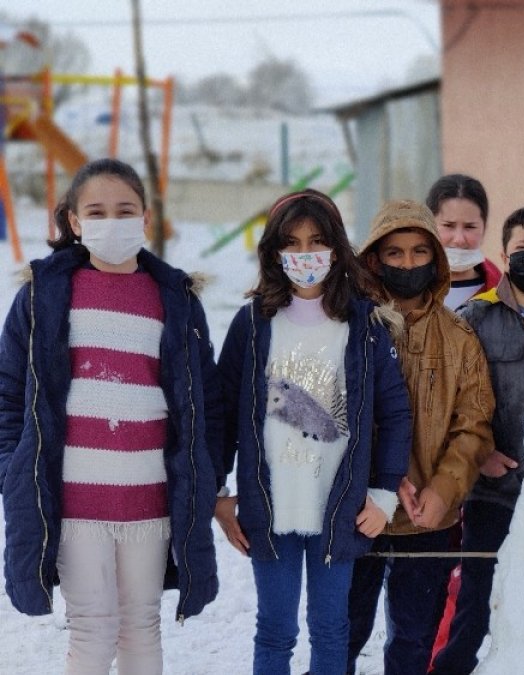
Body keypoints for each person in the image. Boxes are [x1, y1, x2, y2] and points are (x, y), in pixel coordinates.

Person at [0, 158, 222, 673]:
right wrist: (13, 467)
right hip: (76, 501)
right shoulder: (43, 294)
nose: (111, 221)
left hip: (150, 499)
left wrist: (206, 475)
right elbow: (9, 392)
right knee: (92, 629)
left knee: (141, 625)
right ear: (75, 222)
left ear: (145, 217)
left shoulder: (175, 299)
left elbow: (204, 399)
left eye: (125, 210)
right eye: (96, 211)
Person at [214, 189, 412, 675]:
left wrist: (383, 495)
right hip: (270, 508)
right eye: (293, 243)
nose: (306, 255)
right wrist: (219, 492)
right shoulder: (254, 323)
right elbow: (219, 412)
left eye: (318, 241)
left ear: (337, 249)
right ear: (275, 252)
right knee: (275, 630)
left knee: (331, 629)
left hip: (338, 509)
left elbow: (395, 414)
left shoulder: (364, 325)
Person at [346, 200, 495, 675]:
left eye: (418, 252)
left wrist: (444, 490)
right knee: (342, 631)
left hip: (426, 518)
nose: (408, 264)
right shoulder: (348, 327)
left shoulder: (459, 336)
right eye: (395, 253)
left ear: (434, 257)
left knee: (413, 640)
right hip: (355, 511)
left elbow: (473, 425)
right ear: (374, 259)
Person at [430, 205, 524, 675]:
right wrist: (480, 454)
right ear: (505, 255)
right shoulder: (475, 317)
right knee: (475, 600)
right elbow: (451, 400)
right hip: (492, 492)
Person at [425, 174, 502, 310]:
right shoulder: (405, 293)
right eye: (448, 226)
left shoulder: (504, 298)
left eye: (470, 227)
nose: (459, 239)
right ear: (428, 226)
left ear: (484, 229)